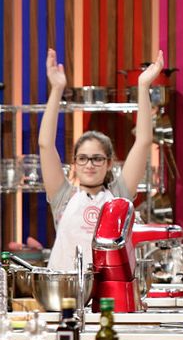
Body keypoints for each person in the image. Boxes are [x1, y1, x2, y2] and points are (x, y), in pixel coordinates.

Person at [39, 48, 164, 271]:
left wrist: (143, 86)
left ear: (109, 163)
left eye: (97, 159)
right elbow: (45, 145)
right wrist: (57, 89)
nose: (89, 165)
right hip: (67, 288)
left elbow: (144, 141)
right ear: (74, 163)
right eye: (83, 158)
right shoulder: (62, 197)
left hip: (109, 287)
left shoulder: (119, 195)